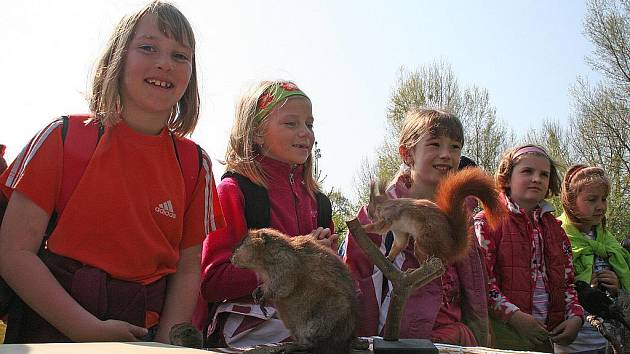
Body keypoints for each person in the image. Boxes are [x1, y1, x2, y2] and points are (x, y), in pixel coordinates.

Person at [0, 1, 223, 343]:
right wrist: (85, 329)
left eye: (181, 56)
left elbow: (189, 267)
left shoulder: (197, 164)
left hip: (144, 336)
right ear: (117, 58)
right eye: (148, 48)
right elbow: (13, 252)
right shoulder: (61, 137)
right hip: (51, 330)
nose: (164, 63)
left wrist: (164, 344)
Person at [194, 80, 335, 349]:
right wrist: (298, 262)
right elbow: (212, 282)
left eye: (310, 124)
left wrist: (325, 260)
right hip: (249, 333)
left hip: (309, 323)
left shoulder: (319, 203)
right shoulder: (234, 192)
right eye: (291, 123)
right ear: (256, 133)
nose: (305, 133)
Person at [343, 108, 491, 347]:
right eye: (434, 144)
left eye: (455, 147)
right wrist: (364, 343)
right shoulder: (377, 213)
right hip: (401, 340)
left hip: (456, 339)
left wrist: (482, 338)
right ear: (407, 153)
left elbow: (474, 287)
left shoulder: (462, 215)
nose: (446, 155)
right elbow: (359, 285)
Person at [474, 144, 584, 352]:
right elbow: (482, 284)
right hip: (503, 336)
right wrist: (515, 317)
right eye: (527, 171)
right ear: (507, 178)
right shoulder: (487, 223)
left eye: (544, 174)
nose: (537, 179)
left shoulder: (556, 230)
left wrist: (576, 317)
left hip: (546, 337)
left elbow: (567, 282)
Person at [554, 164, 630, 353]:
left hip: (610, 341)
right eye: (592, 199)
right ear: (570, 201)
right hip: (574, 342)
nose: (601, 206)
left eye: (603, 199)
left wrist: (617, 286)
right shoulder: (556, 236)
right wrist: (584, 287)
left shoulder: (607, 239)